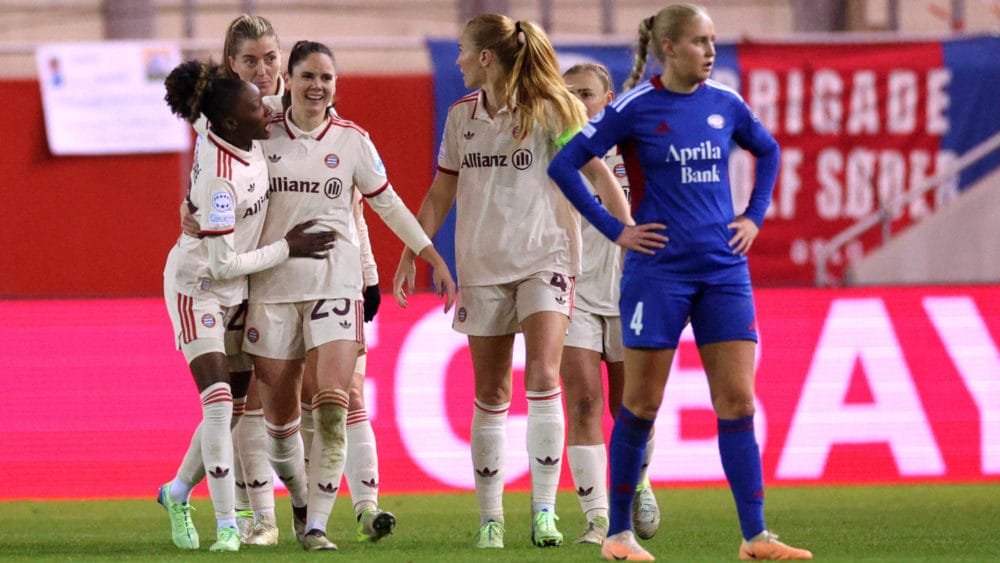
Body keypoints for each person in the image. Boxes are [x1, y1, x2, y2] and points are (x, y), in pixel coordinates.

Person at [548, 4, 813, 561]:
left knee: (738, 401)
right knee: (641, 403)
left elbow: (768, 150)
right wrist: (616, 230)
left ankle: (755, 537)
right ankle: (618, 536)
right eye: (699, 41)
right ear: (667, 47)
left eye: (713, 40)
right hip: (658, 273)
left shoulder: (726, 104)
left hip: (723, 269)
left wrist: (754, 215)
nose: (711, 51)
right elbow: (565, 165)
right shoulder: (634, 108)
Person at [392, 14, 633, 550]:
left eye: (461, 50)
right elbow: (440, 194)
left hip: (545, 259)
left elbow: (598, 174)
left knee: (545, 374)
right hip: (481, 265)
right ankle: (491, 521)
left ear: (485, 57)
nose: (455, 60)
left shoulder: (553, 110)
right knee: (491, 391)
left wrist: (626, 235)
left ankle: (544, 513)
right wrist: (414, 249)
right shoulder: (461, 118)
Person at [243, 40, 455, 552]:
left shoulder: (354, 141)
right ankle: (298, 504)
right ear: (288, 80)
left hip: (337, 287)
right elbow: (212, 143)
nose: (318, 86)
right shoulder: (258, 135)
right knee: (280, 423)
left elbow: (389, 204)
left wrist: (431, 255)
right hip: (272, 287)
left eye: (328, 78)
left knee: (336, 404)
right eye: (308, 76)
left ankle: (319, 525)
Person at [158, 59, 334, 552]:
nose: (268, 108)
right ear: (234, 122)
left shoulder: (223, 124)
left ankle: (175, 491)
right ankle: (227, 528)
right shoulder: (220, 180)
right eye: (258, 106)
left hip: (238, 296)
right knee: (217, 406)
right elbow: (222, 263)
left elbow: (199, 107)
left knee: (233, 410)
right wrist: (288, 248)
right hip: (200, 287)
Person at [559, 62, 661, 546]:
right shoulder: (554, 153)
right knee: (582, 401)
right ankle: (598, 518)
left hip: (629, 293)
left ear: (608, 99)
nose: (578, 103)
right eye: (569, 94)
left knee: (631, 408)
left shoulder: (636, 152)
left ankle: (637, 481)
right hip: (573, 293)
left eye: (587, 94)